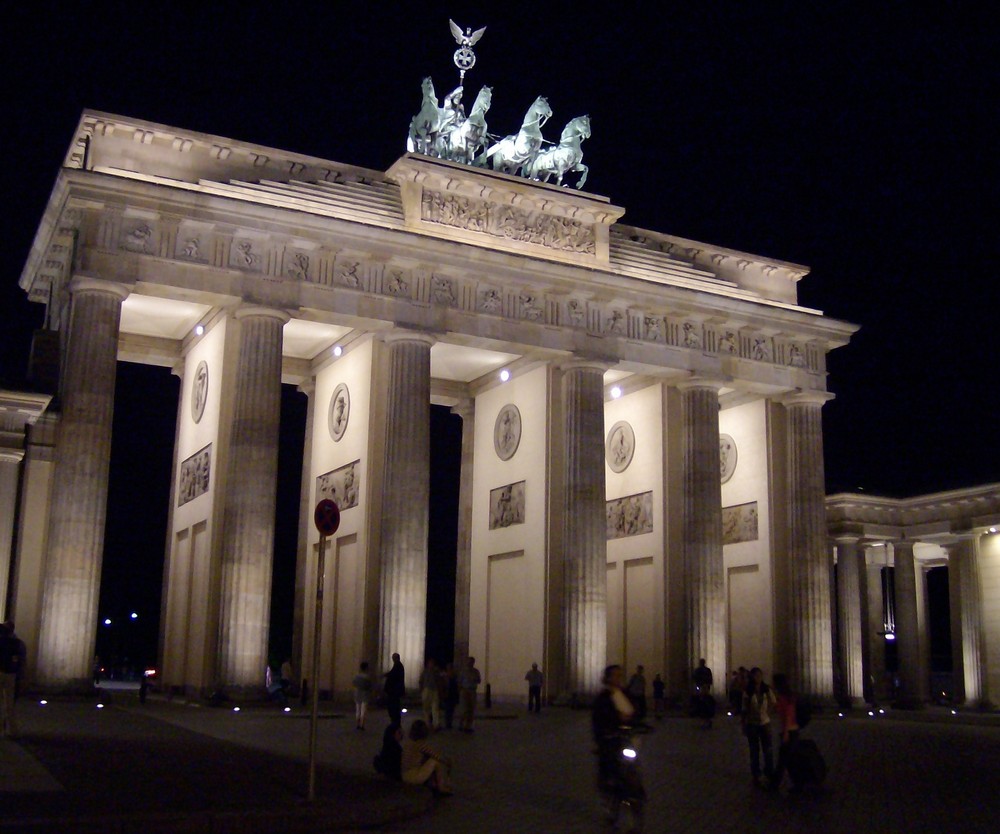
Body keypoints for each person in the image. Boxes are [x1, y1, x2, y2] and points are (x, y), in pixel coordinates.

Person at [592, 665, 636, 791]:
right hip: (609, 736)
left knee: (634, 762)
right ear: (608, 678)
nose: (618, 678)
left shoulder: (626, 694)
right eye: (615, 675)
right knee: (609, 758)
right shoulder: (603, 698)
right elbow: (599, 718)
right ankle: (607, 782)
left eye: (620, 675)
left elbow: (636, 709)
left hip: (627, 736)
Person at [741, 667, 776, 787]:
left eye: (760, 675)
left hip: (765, 722)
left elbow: (773, 702)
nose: (758, 678)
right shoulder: (748, 691)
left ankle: (769, 772)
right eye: (756, 676)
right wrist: (743, 724)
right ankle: (756, 774)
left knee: (768, 750)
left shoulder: (766, 689)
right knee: (754, 751)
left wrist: (768, 713)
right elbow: (744, 708)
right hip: (752, 724)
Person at [401, 719, 453, 795]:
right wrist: (448, 762)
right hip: (413, 776)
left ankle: (433, 784)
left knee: (427, 759)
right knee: (434, 761)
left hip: (404, 775)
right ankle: (441, 787)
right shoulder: (421, 744)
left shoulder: (409, 743)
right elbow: (436, 756)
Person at [769, 673, 800, 791]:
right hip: (794, 730)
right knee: (790, 759)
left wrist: (785, 733)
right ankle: (797, 783)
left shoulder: (784, 698)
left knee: (783, 759)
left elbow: (788, 715)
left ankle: (775, 784)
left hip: (789, 731)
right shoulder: (788, 696)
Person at [0, 621, 26, 738]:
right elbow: (22, 660)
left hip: (1, 672)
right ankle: (11, 729)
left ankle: (2, 729)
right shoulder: (18, 643)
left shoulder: (1, 641)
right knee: (9, 703)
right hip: (11, 674)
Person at [458, 656, 481, 732]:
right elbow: (459, 681)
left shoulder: (476, 671)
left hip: (472, 690)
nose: (470, 663)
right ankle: (461, 724)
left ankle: (468, 726)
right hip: (465, 690)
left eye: (472, 662)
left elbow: (479, 680)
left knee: (471, 709)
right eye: (469, 661)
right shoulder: (463, 671)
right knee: (464, 709)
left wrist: (475, 679)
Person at [383, 653, 405, 726]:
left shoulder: (398, 666)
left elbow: (393, 676)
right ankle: (395, 721)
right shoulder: (398, 666)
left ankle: (395, 722)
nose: (393, 659)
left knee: (393, 707)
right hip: (395, 691)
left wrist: (386, 675)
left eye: (394, 658)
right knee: (394, 707)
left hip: (394, 691)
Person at [692, 658, 715, 728]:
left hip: (702, 686)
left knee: (703, 703)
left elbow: (695, 677)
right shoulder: (706, 670)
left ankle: (705, 719)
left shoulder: (699, 670)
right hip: (703, 686)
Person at [419, 659, 440, 729]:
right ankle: (427, 723)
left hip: (434, 690)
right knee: (426, 708)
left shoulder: (436, 672)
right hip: (427, 690)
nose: (431, 665)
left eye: (432, 663)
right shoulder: (425, 672)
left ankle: (435, 724)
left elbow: (439, 681)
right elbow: (421, 681)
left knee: (435, 708)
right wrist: (421, 690)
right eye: (430, 663)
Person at [353, 661, 373, 730]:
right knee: (363, 711)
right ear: (366, 668)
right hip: (365, 695)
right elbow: (369, 686)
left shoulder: (356, 676)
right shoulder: (367, 677)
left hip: (357, 694)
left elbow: (354, 684)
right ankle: (362, 725)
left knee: (357, 710)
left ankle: (357, 724)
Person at [440, 662, 459, 729]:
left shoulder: (454, 675)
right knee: (447, 710)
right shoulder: (445, 675)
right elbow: (442, 685)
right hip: (447, 694)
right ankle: (447, 723)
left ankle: (449, 723)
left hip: (452, 694)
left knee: (451, 710)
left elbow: (457, 685)